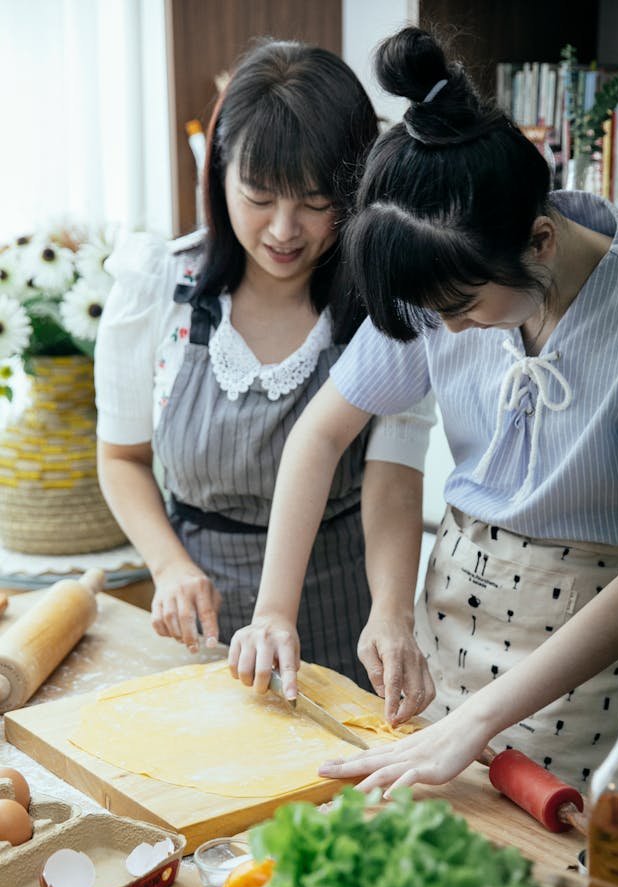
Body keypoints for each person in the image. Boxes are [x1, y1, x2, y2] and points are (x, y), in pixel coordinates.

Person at [229, 26, 618, 788]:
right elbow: (320, 435)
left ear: (541, 241)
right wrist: (274, 610)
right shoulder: (442, 261)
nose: (445, 332)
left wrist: (479, 720)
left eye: (463, 308)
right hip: (451, 627)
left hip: (587, 668)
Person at [94, 38, 434, 686]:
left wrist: (393, 612)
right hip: (199, 633)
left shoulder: (385, 308)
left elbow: (393, 480)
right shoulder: (155, 290)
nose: (283, 230)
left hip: (341, 631)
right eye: (258, 196)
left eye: (313, 202)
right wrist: (168, 567)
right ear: (219, 171)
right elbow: (121, 458)